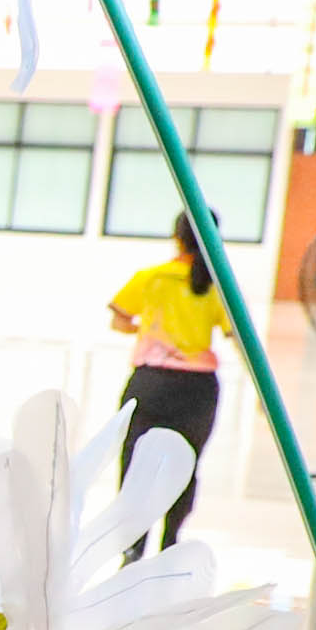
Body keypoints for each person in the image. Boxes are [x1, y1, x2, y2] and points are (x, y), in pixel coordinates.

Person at [108, 216, 236, 551]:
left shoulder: (152, 278)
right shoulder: (218, 285)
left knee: (136, 466)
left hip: (151, 383)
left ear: (176, 238)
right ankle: (170, 543)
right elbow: (235, 333)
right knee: (185, 465)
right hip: (198, 389)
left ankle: (133, 548)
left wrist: (148, 331)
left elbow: (119, 320)